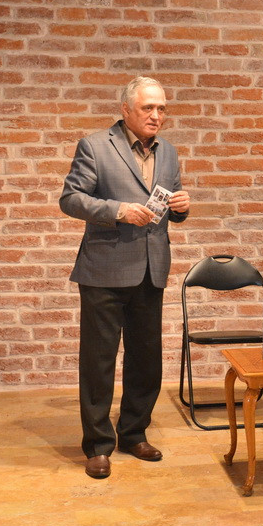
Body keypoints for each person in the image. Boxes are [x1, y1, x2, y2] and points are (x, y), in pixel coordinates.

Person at [59, 76, 190, 479]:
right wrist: (118, 210)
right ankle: (98, 445)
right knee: (98, 363)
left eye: (162, 108)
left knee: (146, 361)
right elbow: (71, 199)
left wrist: (182, 206)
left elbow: (171, 206)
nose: (156, 115)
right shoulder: (95, 146)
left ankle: (133, 433)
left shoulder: (168, 152)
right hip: (104, 270)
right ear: (126, 109)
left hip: (151, 269)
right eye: (148, 108)